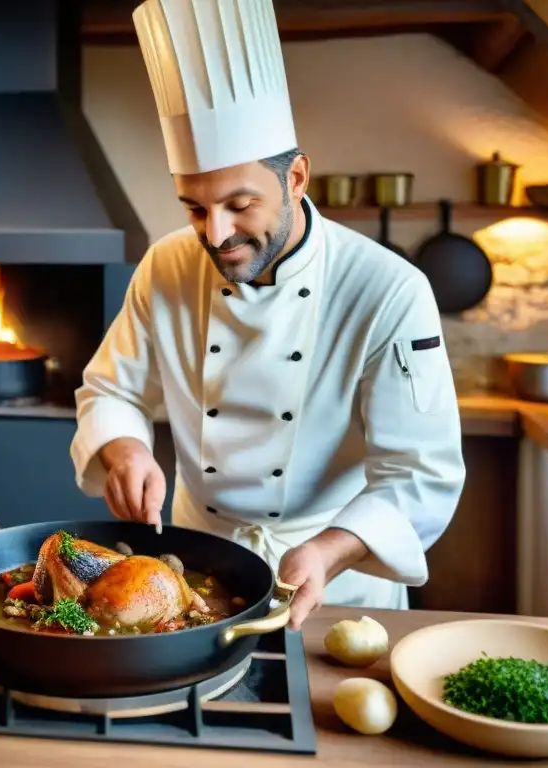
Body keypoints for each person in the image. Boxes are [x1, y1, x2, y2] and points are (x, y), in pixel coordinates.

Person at [69, 0, 466, 630]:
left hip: (335, 584)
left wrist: (332, 551)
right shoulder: (166, 266)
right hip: (196, 571)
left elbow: (419, 474)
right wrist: (125, 453)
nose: (216, 233)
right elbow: (112, 388)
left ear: (298, 177)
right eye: (195, 209)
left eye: (239, 204)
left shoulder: (388, 289)